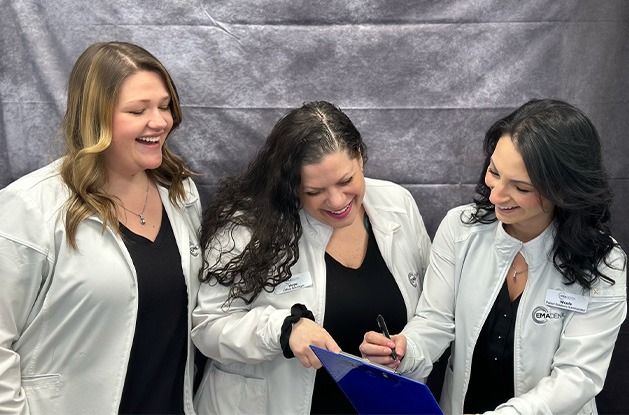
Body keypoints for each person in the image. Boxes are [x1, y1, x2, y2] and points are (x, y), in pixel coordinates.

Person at [360, 98, 627, 414]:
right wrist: (406, 350)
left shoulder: (604, 264)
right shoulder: (460, 228)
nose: (496, 194)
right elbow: (435, 321)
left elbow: (577, 377)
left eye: (521, 187)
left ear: (564, 190)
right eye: (494, 172)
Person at [191, 101, 431, 414]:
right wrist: (284, 329)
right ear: (290, 185)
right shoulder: (246, 226)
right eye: (315, 191)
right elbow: (208, 327)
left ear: (360, 157)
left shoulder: (396, 203)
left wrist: (404, 348)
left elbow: (431, 310)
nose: (337, 201)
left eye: (346, 181)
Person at [0, 41, 202, 414]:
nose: (159, 121)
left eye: (164, 105)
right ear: (95, 118)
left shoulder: (180, 194)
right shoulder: (29, 208)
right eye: (137, 110)